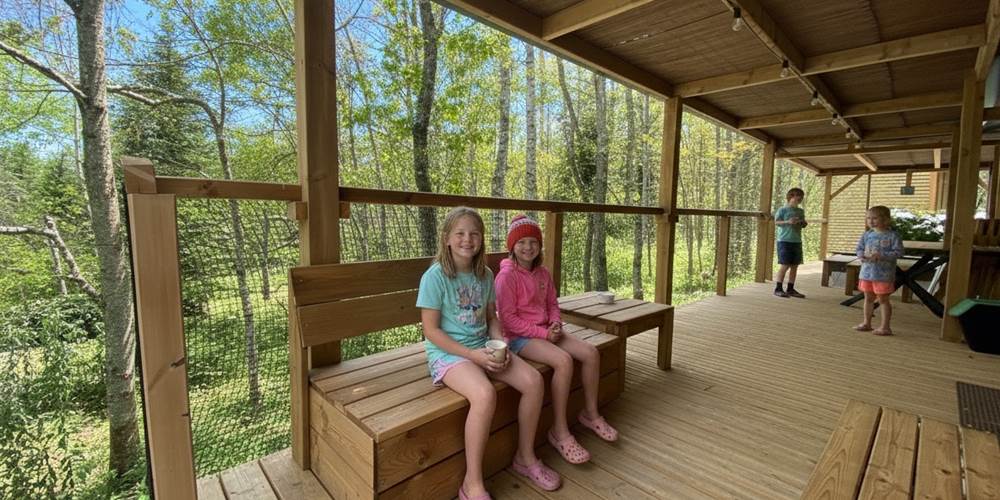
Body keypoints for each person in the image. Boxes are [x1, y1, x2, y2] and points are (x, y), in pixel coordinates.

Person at [416, 207, 560, 500]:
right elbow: (431, 331)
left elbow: (492, 318)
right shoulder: (435, 277)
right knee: (484, 394)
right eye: (460, 233)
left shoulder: (485, 275)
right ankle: (472, 484)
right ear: (447, 238)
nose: (467, 239)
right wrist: (473, 355)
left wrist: (499, 345)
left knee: (533, 381)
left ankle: (525, 457)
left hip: (483, 345)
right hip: (449, 354)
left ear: (482, 239)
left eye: (474, 234)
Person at [495, 215, 619, 466]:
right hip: (520, 338)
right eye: (521, 242)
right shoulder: (506, 277)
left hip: (546, 330)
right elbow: (507, 320)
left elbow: (552, 304)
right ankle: (560, 431)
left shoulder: (543, 273)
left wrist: (555, 323)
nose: (528, 247)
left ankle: (590, 413)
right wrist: (544, 334)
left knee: (591, 353)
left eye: (533, 242)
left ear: (540, 245)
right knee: (563, 361)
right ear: (512, 246)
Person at [853, 205, 904, 336]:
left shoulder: (893, 236)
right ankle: (867, 323)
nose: (871, 221)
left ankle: (885, 327)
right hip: (867, 273)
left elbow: (899, 252)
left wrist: (882, 256)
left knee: (883, 300)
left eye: (875, 218)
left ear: (886, 220)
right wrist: (861, 255)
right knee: (868, 298)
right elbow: (859, 248)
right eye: (868, 218)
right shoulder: (867, 234)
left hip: (883, 274)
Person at [774, 187, 808, 298]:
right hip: (784, 240)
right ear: (791, 197)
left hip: (797, 240)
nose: (800, 198)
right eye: (797, 196)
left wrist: (802, 223)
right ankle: (778, 289)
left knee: (795, 266)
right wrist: (788, 221)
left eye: (801, 197)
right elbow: (776, 222)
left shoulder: (800, 211)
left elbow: (803, 224)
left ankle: (790, 289)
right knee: (785, 265)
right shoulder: (782, 210)